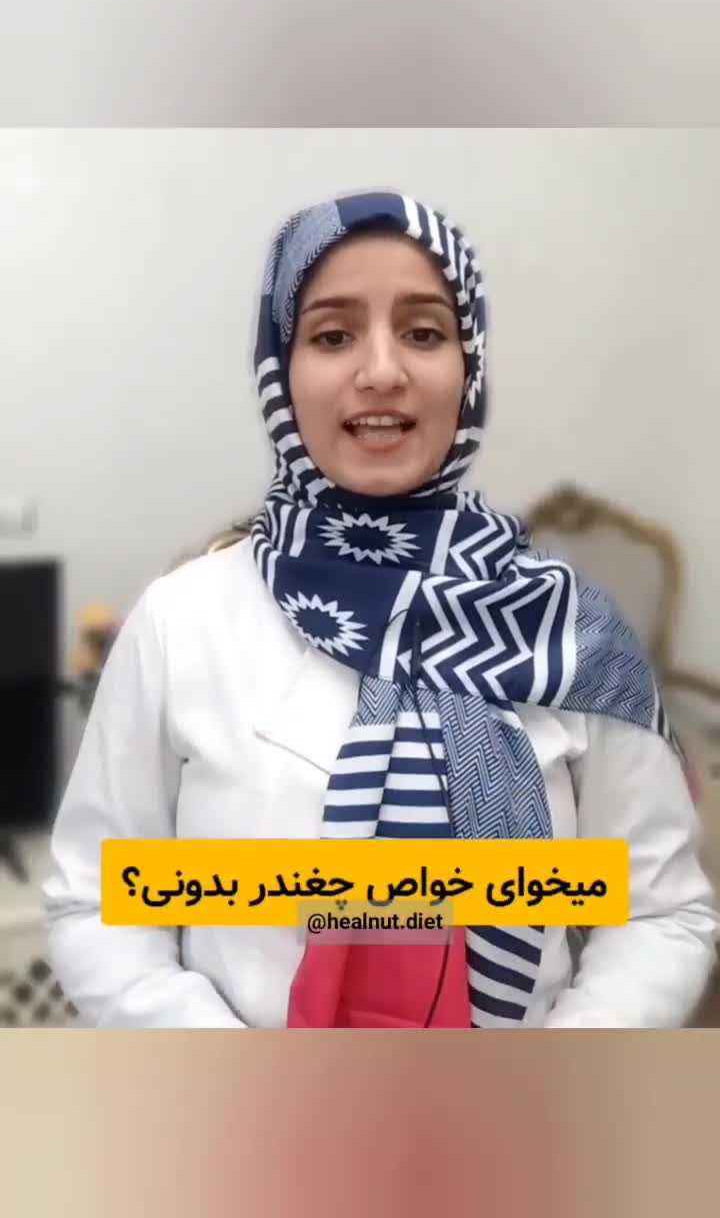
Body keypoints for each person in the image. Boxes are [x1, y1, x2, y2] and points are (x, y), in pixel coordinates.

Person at [44, 190, 718, 1028]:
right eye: (332, 336)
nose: (382, 371)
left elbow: (661, 914)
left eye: (424, 333)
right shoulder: (182, 622)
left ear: (469, 367)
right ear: (280, 368)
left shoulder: (568, 631)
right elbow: (99, 904)